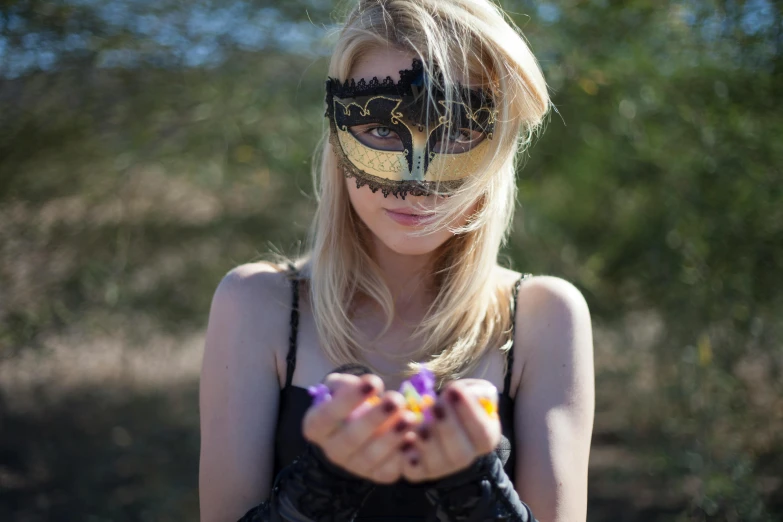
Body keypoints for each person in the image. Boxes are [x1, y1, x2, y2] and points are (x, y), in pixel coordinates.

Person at [199, 0, 594, 520]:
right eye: (382, 129)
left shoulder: (545, 317)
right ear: (338, 139)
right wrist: (325, 483)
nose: (417, 179)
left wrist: (469, 484)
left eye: (456, 132)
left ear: (496, 147)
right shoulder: (256, 304)